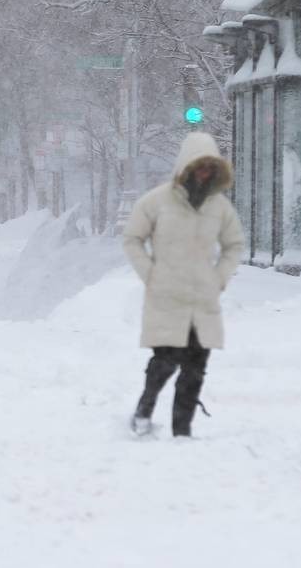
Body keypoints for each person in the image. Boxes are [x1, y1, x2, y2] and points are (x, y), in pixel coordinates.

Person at [124, 132, 244, 438]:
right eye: (199, 167)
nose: (204, 174)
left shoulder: (219, 208)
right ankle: (144, 410)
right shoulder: (156, 201)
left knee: (195, 368)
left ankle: (182, 430)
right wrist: (150, 274)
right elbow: (132, 238)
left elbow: (234, 245)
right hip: (166, 296)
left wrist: (219, 277)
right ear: (186, 167)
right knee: (165, 359)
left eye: (209, 168)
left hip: (203, 300)